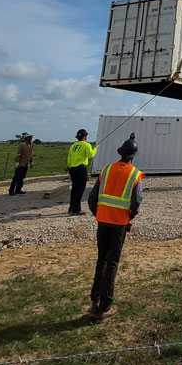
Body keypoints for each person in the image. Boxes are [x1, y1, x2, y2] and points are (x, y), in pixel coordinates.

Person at [87, 133, 143, 321]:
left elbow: (92, 198)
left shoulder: (106, 170)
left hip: (102, 223)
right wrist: (128, 218)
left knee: (101, 260)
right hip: (119, 224)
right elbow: (136, 202)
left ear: (121, 153)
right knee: (112, 263)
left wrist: (100, 214)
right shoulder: (134, 174)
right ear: (133, 156)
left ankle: (95, 302)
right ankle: (105, 307)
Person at [66, 128, 96, 215]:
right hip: (81, 169)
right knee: (80, 190)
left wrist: (69, 166)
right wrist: (95, 149)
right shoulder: (86, 145)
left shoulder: (73, 146)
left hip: (73, 169)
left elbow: (69, 158)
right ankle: (76, 209)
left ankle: (71, 208)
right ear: (85, 136)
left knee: (74, 189)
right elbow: (90, 155)